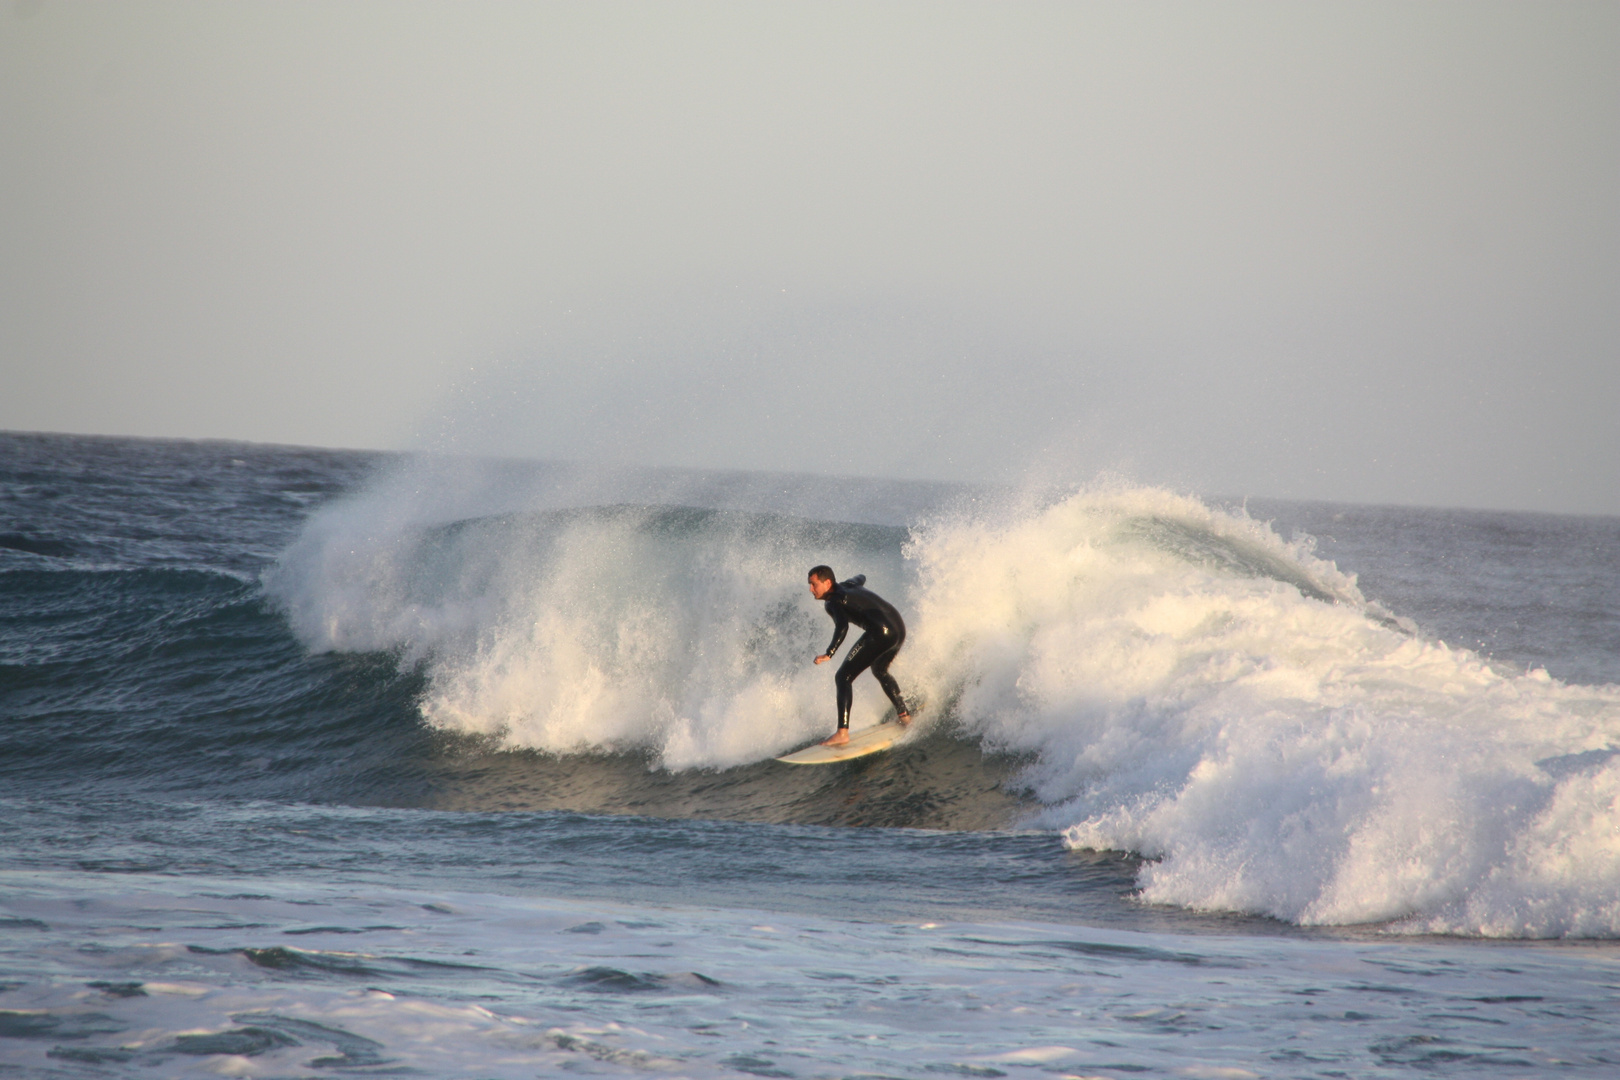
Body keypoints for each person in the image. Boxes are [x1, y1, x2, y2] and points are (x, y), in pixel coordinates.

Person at [807, 565, 912, 746]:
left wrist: (829, 653)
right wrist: (857, 580)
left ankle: (842, 733)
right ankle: (904, 716)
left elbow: (842, 627)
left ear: (828, 583)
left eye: (814, 584)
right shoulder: (850, 584)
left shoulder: (832, 602)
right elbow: (861, 576)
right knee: (879, 670)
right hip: (898, 627)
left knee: (843, 677)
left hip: (881, 633)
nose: (810, 589)